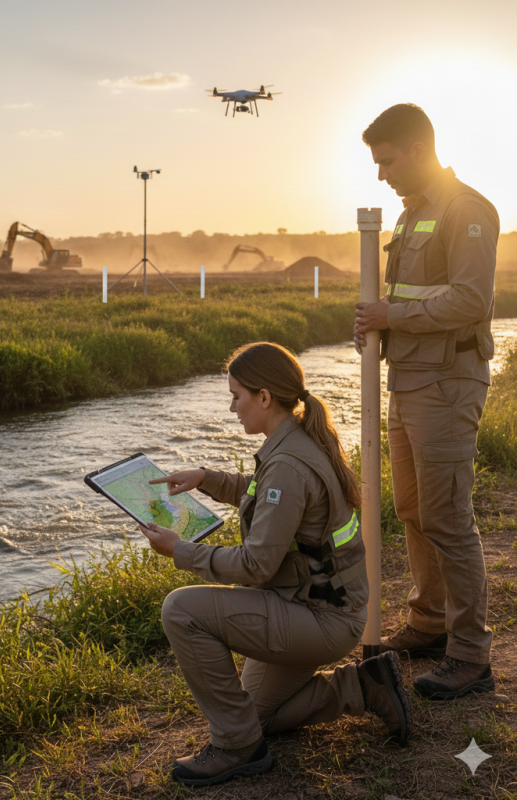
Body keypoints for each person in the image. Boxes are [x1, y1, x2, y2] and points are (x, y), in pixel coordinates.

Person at [139, 342, 411, 788]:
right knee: (259, 715)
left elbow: (256, 565)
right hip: (321, 609)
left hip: (320, 619)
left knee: (180, 610)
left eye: (236, 396)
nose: (232, 408)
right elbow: (265, 495)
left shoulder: (286, 461)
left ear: (264, 397)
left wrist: (180, 551)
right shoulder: (297, 441)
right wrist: (208, 479)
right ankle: (363, 686)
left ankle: (234, 748)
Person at [354, 103, 498, 701]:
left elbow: (469, 298)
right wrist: (379, 326)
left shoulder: (467, 211)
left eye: (386, 161)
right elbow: (407, 296)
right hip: (407, 380)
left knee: (447, 519)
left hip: (446, 384)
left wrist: (395, 316)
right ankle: (429, 623)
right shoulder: (412, 215)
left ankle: (471, 655)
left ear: (417, 149)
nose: (381, 174)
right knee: (412, 511)